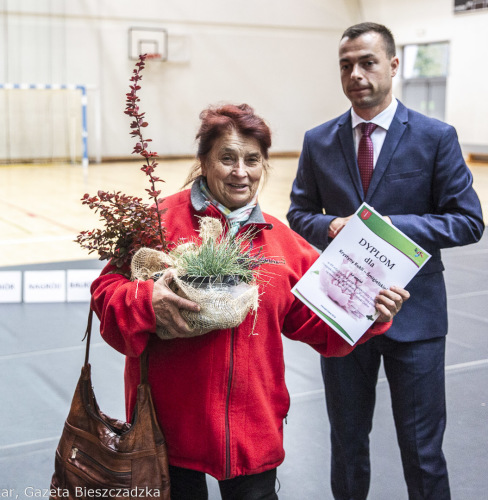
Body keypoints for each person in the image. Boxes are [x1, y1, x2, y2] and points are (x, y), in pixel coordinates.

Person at [90, 103, 409, 500]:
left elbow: (320, 326)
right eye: (227, 158)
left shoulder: (284, 244)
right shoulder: (159, 223)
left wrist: (370, 312)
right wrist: (145, 299)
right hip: (166, 431)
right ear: (204, 161)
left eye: (252, 160)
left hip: (251, 433)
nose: (241, 171)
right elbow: (105, 296)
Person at [287, 22, 484, 500]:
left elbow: (467, 221)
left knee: (422, 451)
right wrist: (328, 226)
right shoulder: (318, 140)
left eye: (367, 62)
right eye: (346, 65)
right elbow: (298, 212)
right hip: (341, 315)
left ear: (393, 66)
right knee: (347, 445)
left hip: (414, 318)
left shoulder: (436, 137)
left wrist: (387, 227)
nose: (356, 73)